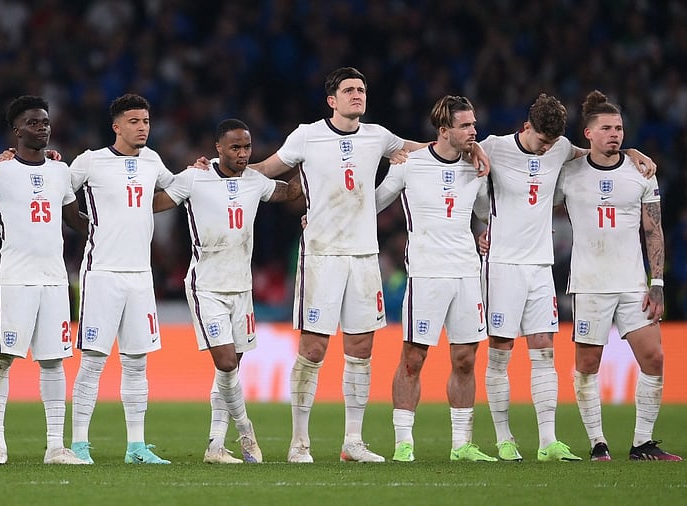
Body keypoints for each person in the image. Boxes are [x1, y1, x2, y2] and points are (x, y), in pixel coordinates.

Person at [247, 67, 489, 463]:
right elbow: (270, 167)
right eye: (349, 90)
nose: (357, 95)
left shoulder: (378, 136)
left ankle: (353, 442)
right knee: (313, 347)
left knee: (361, 348)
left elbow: (426, 148)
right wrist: (226, 171)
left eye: (361, 89)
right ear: (332, 100)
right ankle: (299, 443)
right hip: (322, 253)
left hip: (364, 255)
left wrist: (471, 148)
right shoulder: (307, 135)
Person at [479, 94, 656, 462]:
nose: (546, 149)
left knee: (544, 350)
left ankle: (548, 443)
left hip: (541, 265)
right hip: (502, 265)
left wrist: (634, 151)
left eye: (551, 143)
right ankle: (504, 438)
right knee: (500, 354)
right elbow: (462, 177)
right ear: (525, 127)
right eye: (541, 141)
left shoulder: (559, 149)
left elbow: (595, 153)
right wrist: (480, 225)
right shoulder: (493, 147)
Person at [153, 119, 301, 464]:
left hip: (241, 288)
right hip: (206, 286)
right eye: (235, 147)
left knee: (229, 367)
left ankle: (216, 445)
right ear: (218, 148)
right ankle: (247, 433)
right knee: (225, 361)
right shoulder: (194, 178)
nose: (243, 154)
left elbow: (288, 193)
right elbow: (158, 202)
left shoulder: (254, 181)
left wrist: (312, 165)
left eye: (247, 147)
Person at [0, 95, 90, 465]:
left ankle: (55, 446)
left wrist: (113, 222)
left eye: (46, 122)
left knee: (53, 362)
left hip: (54, 280)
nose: (43, 128)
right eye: (34, 123)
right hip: (14, 280)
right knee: (1, 359)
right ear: (17, 130)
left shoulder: (60, 171)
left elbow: (75, 220)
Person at [556, 90, 681, 461]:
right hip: (590, 285)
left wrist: (657, 284)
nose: (615, 134)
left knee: (654, 359)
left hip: (632, 284)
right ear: (588, 134)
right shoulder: (569, 173)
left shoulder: (641, 172)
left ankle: (642, 442)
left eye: (620, 128)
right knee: (587, 365)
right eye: (607, 128)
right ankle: (598, 443)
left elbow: (653, 230)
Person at [375, 95, 496, 463]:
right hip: (426, 274)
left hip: (466, 274)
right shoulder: (410, 164)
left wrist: (487, 231)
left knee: (465, 359)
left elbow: (484, 212)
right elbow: (375, 202)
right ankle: (403, 443)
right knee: (413, 358)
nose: (474, 131)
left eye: (474, 124)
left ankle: (461, 446)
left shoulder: (477, 169)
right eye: (465, 125)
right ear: (444, 130)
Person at [68, 94, 175, 465]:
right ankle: (79, 445)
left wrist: (197, 171)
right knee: (94, 361)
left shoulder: (153, 161)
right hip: (102, 274)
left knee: (136, 362)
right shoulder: (91, 161)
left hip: (140, 276)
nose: (142, 127)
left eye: (145, 120)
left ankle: (136, 447)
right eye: (133, 121)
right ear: (116, 126)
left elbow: (172, 191)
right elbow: (58, 189)